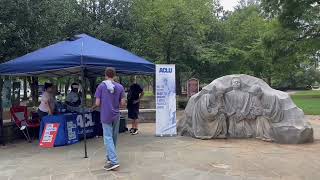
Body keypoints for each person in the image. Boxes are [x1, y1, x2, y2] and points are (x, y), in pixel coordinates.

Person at [91, 67, 125, 171]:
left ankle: (114, 161)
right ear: (115, 75)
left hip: (105, 115)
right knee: (113, 137)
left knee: (108, 138)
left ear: (105, 75)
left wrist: (93, 107)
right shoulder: (120, 87)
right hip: (116, 115)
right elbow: (123, 103)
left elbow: (97, 103)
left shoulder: (101, 86)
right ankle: (110, 158)